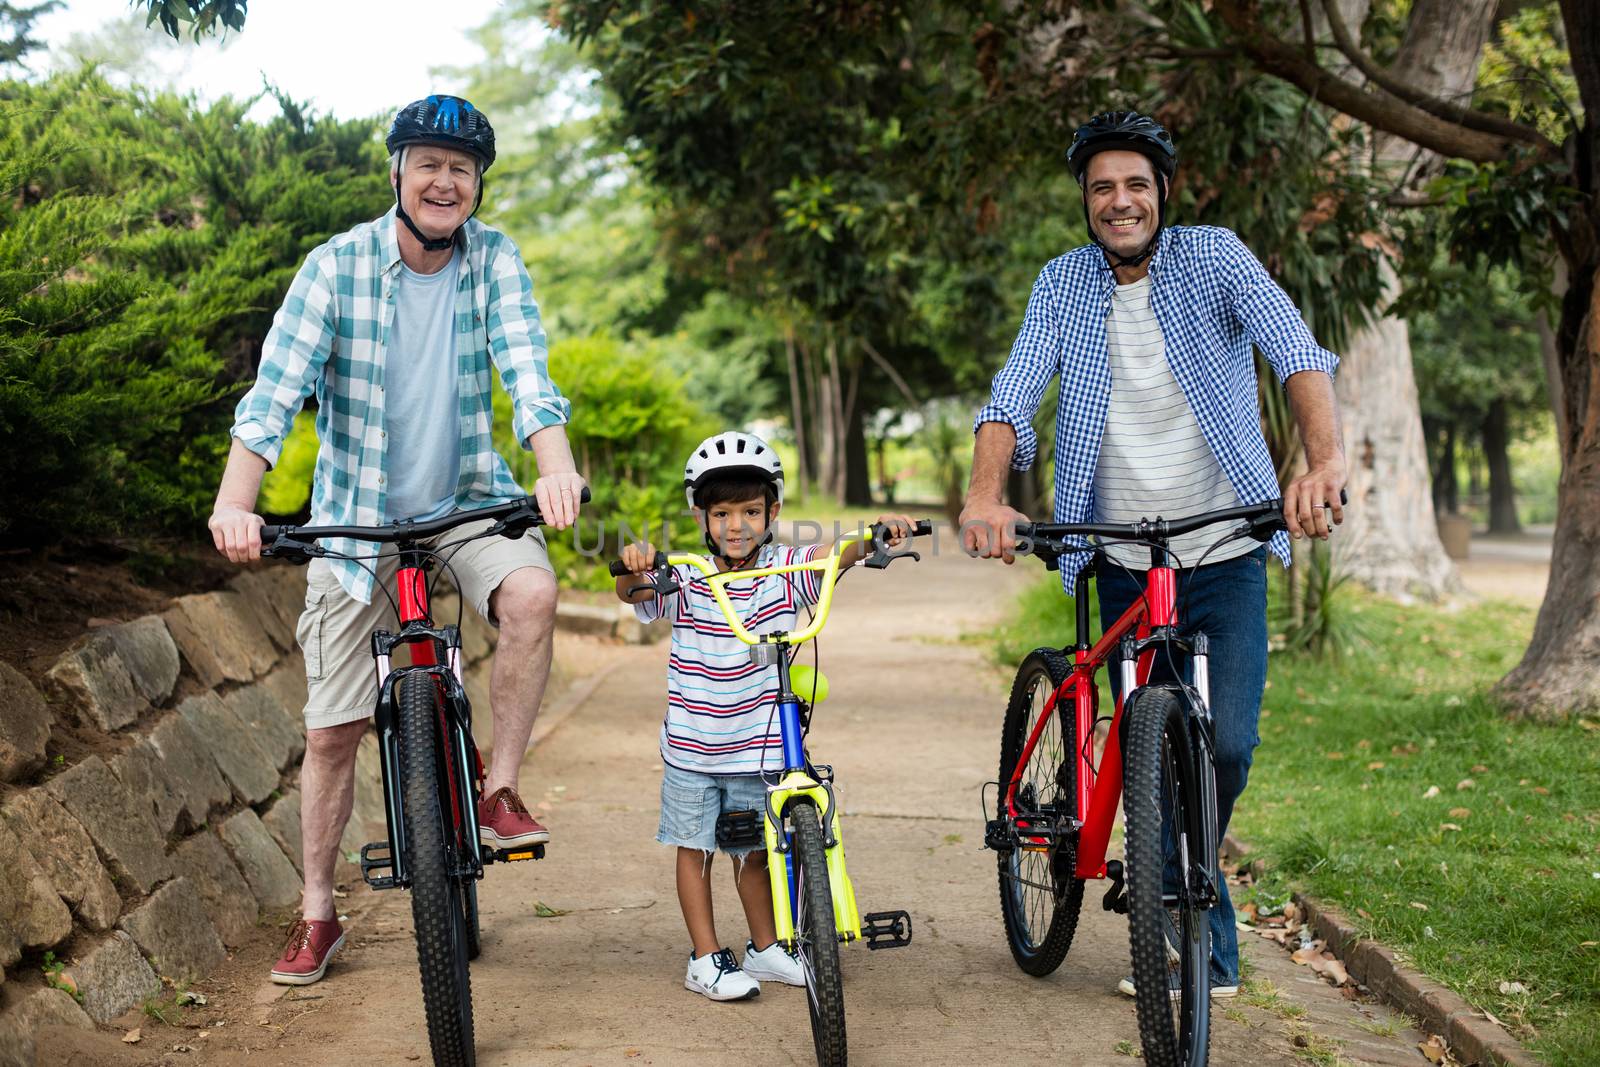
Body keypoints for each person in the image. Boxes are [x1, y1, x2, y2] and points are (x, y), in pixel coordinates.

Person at [960, 111, 1347, 999]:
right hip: (1121, 556)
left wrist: (1322, 463)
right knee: (1148, 740)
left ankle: (1178, 887)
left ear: (1162, 192)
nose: (1120, 200)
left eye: (1135, 183)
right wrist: (985, 494)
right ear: (1086, 203)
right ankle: (1191, 940)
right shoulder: (1061, 285)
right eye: (1102, 187)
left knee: (1230, 745)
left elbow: (1295, 352)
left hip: (1224, 547)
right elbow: (1011, 393)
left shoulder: (1215, 257)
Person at [207, 94, 587, 986]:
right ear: (397, 173)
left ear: (478, 186)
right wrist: (236, 502)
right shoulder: (335, 268)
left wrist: (555, 466)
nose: (444, 181)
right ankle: (317, 914)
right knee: (333, 731)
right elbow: (273, 398)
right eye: (428, 163)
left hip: (467, 502)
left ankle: (498, 788)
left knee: (532, 592)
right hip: (359, 519)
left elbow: (530, 375)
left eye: (462, 168)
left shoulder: (494, 262)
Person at [616, 431, 912, 1001]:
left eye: (751, 511)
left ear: (772, 511)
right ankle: (704, 958)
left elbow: (832, 558)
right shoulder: (686, 575)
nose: (736, 525)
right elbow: (634, 593)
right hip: (695, 749)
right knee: (696, 849)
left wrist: (871, 536)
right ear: (701, 516)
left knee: (754, 851)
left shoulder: (782, 570)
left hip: (761, 747)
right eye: (722, 512)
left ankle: (766, 946)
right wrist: (633, 567)